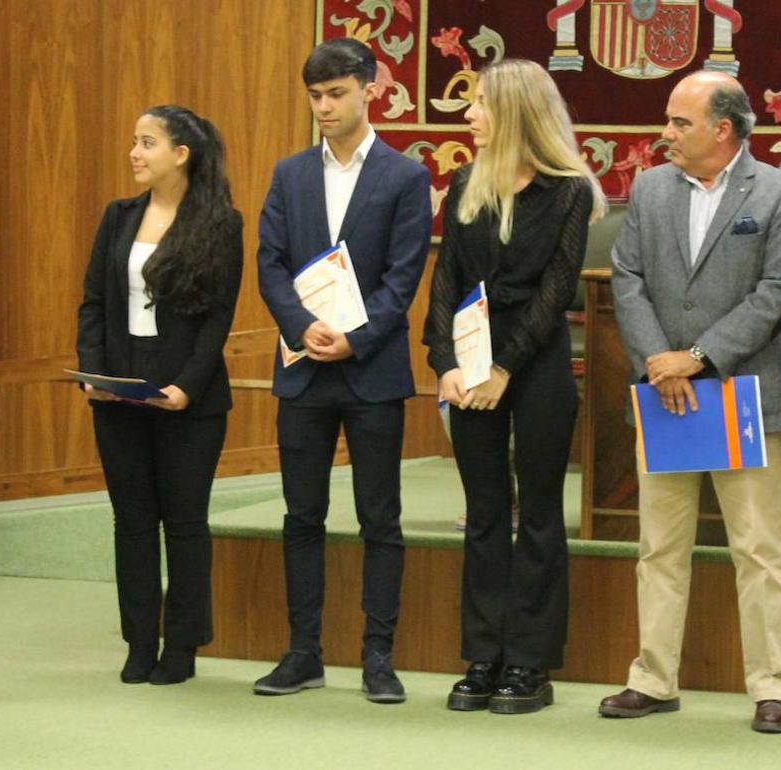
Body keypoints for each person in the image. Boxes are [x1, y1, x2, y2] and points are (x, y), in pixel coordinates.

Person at [602, 71, 781, 733]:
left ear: (723, 130)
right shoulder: (651, 187)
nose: (665, 134)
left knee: (758, 549)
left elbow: (778, 294)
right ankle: (653, 679)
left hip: (742, 394)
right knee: (659, 546)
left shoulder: (780, 193)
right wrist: (659, 362)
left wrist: (696, 358)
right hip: (664, 395)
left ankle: (772, 689)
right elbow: (626, 278)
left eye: (679, 123)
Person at [423, 59, 606, 715]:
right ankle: (483, 655)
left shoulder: (569, 190)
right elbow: (446, 278)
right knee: (483, 513)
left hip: (536, 366)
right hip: (470, 362)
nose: (468, 115)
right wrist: (445, 360)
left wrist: (505, 368)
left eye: (478, 105)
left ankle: (529, 661)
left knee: (538, 513)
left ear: (515, 112)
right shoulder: (468, 180)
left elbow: (557, 291)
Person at [253, 38, 432, 704]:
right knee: (302, 516)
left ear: (370, 88)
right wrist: (302, 327)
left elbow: (404, 274)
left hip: (372, 370)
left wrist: (355, 337)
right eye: (315, 96)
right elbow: (269, 262)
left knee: (379, 518)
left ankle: (378, 657)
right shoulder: (290, 173)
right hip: (302, 368)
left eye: (336, 93)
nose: (324, 107)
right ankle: (303, 652)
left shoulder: (405, 175)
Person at [76, 105, 243, 686]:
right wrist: (94, 374)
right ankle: (140, 641)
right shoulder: (119, 216)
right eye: (133, 141)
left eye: (147, 143)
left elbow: (218, 318)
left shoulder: (221, 223)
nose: (135, 153)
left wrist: (186, 388)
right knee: (133, 522)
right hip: (120, 388)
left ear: (181, 154)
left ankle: (183, 646)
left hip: (187, 395)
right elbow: (93, 301)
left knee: (185, 522)